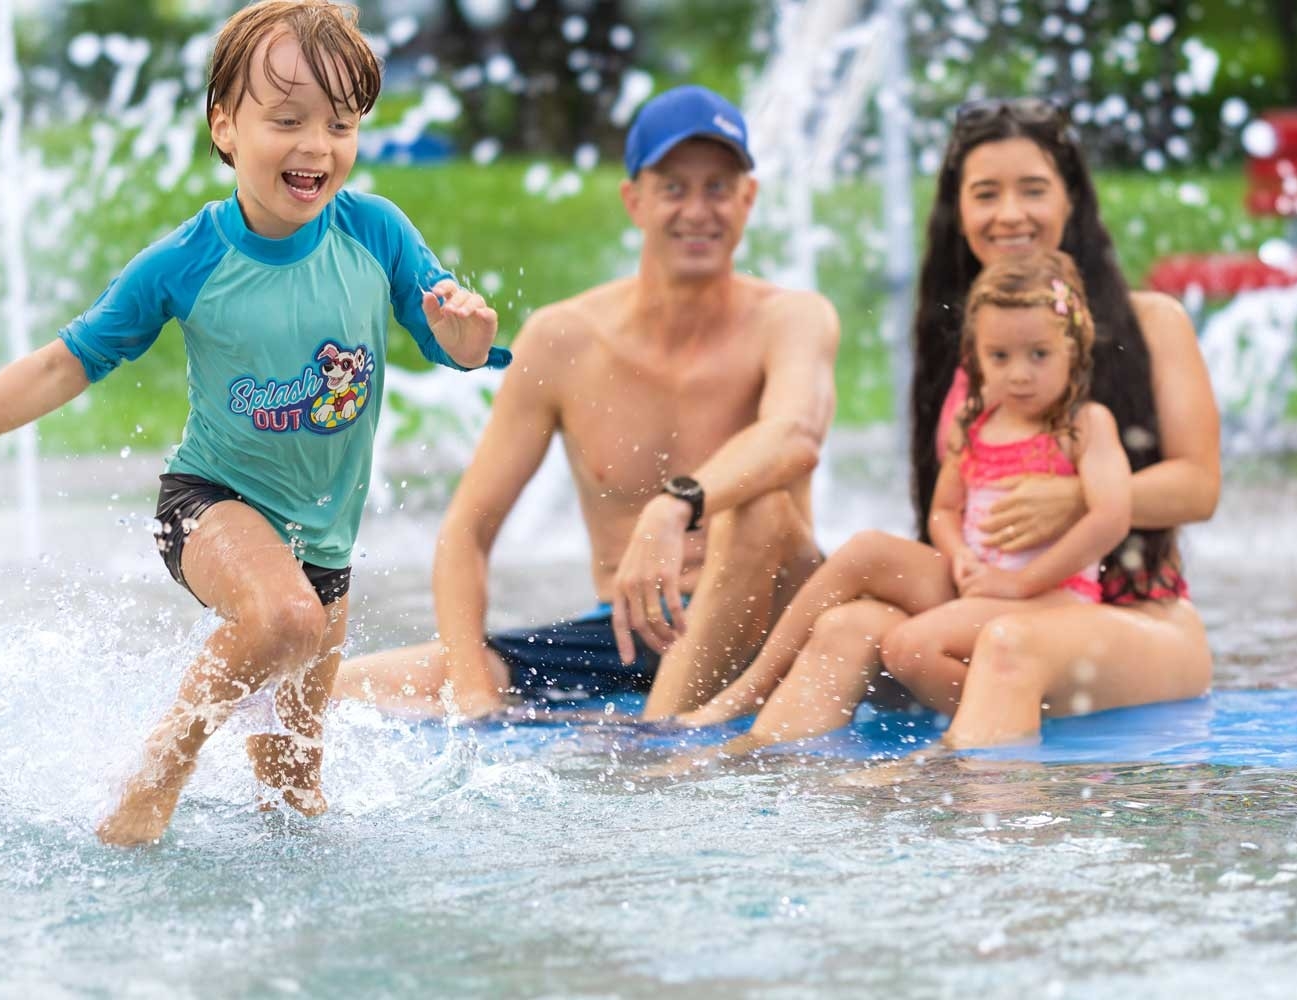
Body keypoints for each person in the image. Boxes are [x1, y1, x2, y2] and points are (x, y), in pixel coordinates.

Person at [0, 0, 503, 845]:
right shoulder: (192, 259)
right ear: (225, 126)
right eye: (287, 121)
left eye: (340, 124)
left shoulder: (375, 232)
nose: (316, 146)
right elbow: (64, 362)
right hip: (208, 506)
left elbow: (452, 341)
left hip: (324, 549)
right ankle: (151, 777)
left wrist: (466, 338)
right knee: (287, 619)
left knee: (296, 800)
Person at [674, 97, 1222, 752]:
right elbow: (951, 503)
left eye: (1033, 189)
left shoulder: (1152, 323)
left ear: (1071, 198)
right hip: (992, 590)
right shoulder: (965, 347)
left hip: (1130, 611)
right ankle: (739, 761)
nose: (1009, 213)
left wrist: (1078, 497)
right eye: (986, 194)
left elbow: (1199, 487)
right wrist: (963, 557)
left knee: (1008, 644)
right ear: (958, 210)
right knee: (849, 626)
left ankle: (938, 776)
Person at [335, 85, 841, 720]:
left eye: (718, 188)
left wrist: (672, 507)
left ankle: (662, 742)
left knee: (759, 507)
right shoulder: (564, 339)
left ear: (748, 199)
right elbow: (466, 530)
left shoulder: (793, 318)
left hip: (768, 629)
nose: (698, 210)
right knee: (341, 689)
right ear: (635, 200)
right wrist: (472, 694)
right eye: (674, 188)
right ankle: (660, 725)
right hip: (628, 636)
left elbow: (795, 437)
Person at [659, 249, 1133, 769]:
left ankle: (986, 726)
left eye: (1039, 355)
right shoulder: (974, 424)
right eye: (1000, 357)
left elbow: (1111, 517)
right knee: (866, 550)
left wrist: (1020, 584)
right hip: (978, 583)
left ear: (1073, 348)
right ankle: (751, 688)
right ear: (975, 355)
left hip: (1050, 597)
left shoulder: (1085, 426)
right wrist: (958, 555)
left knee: (912, 645)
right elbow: (944, 511)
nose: (1019, 374)